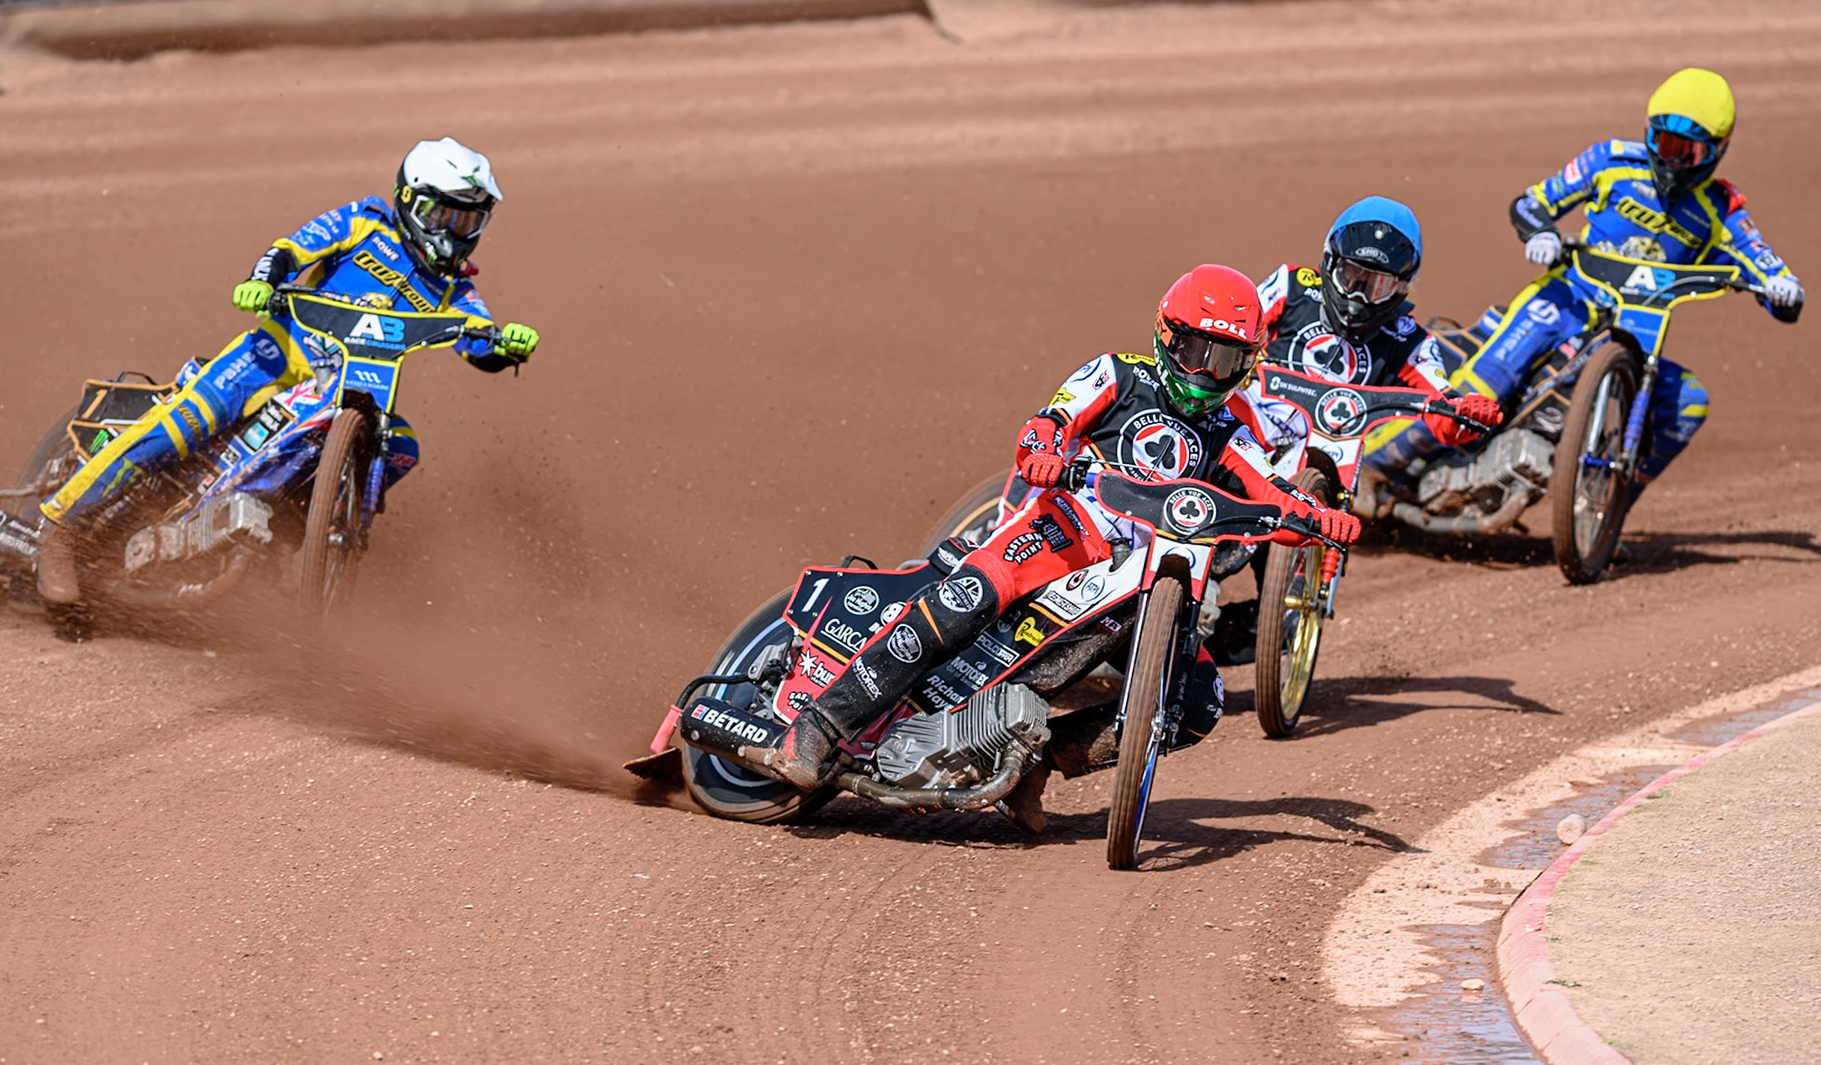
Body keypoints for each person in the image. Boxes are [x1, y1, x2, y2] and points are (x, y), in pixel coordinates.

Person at [740, 265, 1361, 813]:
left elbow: (1273, 491)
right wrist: (1042, 453)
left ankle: (1036, 766)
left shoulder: (1235, 427)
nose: (1206, 372)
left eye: (1225, 359)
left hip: (1155, 576)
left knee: (1197, 706)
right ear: (1167, 336)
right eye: (1196, 350)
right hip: (1067, 529)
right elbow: (1049, 421)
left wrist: (1318, 517)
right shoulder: (1116, 374)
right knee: (969, 597)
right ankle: (818, 728)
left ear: (1246, 365)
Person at [35, 137, 539, 605]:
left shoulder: (454, 291)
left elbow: (479, 343)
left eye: (468, 222)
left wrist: (506, 346)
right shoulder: (366, 222)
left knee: (401, 447)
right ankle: (61, 527)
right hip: (274, 357)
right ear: (409, 200)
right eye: (443, 214)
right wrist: (261, 282)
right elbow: (290, 249)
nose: (454, 233)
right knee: (182, 424)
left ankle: (288, 540)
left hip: (353, 390)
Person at [1372, 68, 1801, 483]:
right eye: (1663, 143)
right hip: (1565, 299)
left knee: (1687, 404)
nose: (1671, 160)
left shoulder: (1721, 209)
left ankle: (1604, 516)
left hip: (1637, 329)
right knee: (1484, 383)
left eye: (1686, 152)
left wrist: (1782, 290)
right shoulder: (1610, 161)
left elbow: (1766, 266)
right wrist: (1541, 233)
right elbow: (1532, 203)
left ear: (1716, 151)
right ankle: (1374, 467)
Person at [1209, 197, 1501, 660]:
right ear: (1329, 263)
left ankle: (1201, 645)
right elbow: (1238, 326)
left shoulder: (1409, 340)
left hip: (1320, 468)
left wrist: (1465, 416)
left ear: (1402, 287)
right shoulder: (1291, 286)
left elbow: (1441, 405)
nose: (1360, 294)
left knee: (1285, 627)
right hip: (1238, 438)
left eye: (1378, 284)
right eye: (1352, 277)